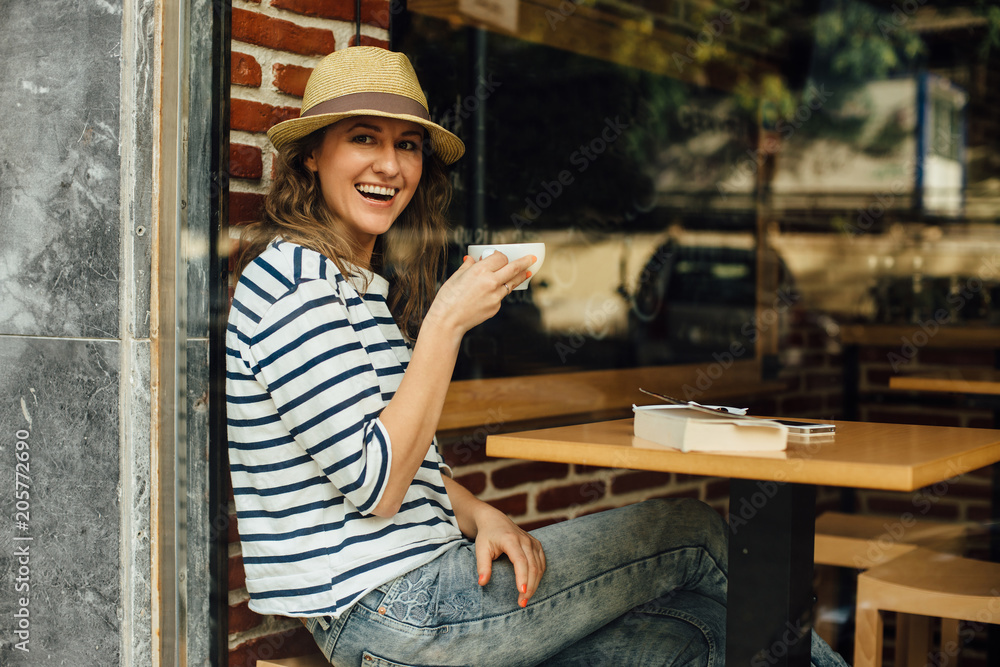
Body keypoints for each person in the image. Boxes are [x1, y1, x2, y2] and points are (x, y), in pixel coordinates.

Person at [227, 46, 847, 667]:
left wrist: (478, 514)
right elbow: (377, 486)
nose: (389, 165)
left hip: (422, 597)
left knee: (705, 633)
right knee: (692, 533)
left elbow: (400, 455)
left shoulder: (352, 286)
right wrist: (446, 321)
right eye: (365, 139)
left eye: (408, 145)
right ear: (312, 155)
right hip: (389, 612)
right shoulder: (293, 285)